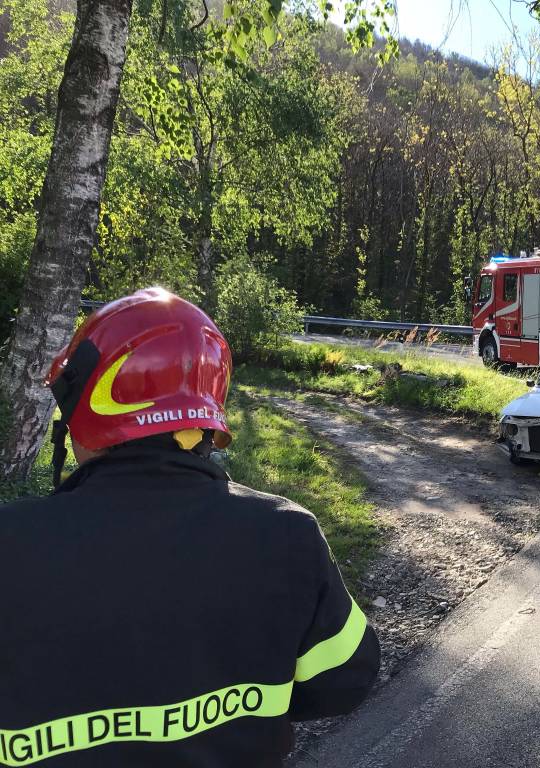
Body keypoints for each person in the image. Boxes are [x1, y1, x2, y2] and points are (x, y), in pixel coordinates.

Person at [0, 288, 380, 767]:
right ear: (204, 421)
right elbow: (346, 680)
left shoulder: (9, 545)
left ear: (84, 409)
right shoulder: (285, 536)